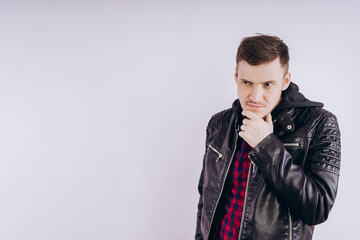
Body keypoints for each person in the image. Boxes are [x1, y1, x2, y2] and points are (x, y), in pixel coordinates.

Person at [195, 35, 341, 240]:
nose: (255, 96)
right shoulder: (220, 123)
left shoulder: (319, 124)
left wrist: (266, 146)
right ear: (236, 75)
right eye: (247, 82)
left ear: (285, 81)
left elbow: (318, 208)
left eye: (267, 84)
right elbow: (206, 198)